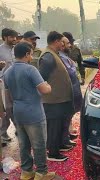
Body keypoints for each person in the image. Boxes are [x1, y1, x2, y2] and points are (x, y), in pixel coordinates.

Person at [4, 42, 55, 180]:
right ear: (27, 54)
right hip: (34, 112)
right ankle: (41, 173)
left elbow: (7, 96)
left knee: (24, 144)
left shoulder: (7, 72)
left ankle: (26, 172)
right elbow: (44, 90)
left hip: (18, 111)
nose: (32, 56)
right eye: (31, 53)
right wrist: (48, 86)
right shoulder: (30, 70)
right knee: (39, 144)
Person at [38, 31, 73, 161]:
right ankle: (52, 153)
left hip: (59, 99)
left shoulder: (54, 54)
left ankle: (57, 147)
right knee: (53, 126)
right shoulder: (48, 57)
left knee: (57, 126)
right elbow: (41, 78)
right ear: (56, 41)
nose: (63, 44)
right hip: (52, 101)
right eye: (61, 42)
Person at [59, 36, 83, 148]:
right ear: (61, 44)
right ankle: (63, 140)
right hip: (66, 92)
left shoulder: (65, 56)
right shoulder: (59, 57)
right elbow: (70, 71)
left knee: (68, 116)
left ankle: (66, 136)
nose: (70, 45)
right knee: (64, 117)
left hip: (73, 89)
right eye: (68, 43)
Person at [0, 28, 18, 143]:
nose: (14, 39)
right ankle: (2, 132)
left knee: (16, 107)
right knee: (7, 108)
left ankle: (20, 129)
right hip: (4, 84)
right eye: (12, 37)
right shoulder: (0, 50)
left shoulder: (16, 50)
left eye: (15, 37)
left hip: (16, 82)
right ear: (5, 37)